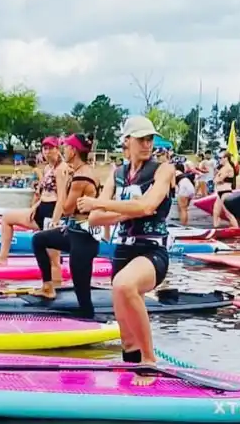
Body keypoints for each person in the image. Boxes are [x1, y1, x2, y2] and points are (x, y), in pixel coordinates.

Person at [78, 115, 175, 372]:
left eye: (150, 139)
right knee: (125, 331)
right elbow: (95, 218)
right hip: (122, 250)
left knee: (125, 284)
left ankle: (149, 362)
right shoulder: (117, 174)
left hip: (152, 250)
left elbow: (148, 206)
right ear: (127, 141)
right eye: (141, 139)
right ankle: (130, 367)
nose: (147, 144)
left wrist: (101, 203)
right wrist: (126, 210)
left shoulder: (163, 170)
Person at [29, 134, 102, 317]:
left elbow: (67, 208)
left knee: (82, 293)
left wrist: (64, 182)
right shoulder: (80, 172)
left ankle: (88, 323)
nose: (64, 150)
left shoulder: (81, 176)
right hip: (74, 232)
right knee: (39, 240)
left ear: (74, 150)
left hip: (84, 238)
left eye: (66, 147)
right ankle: (47, 286)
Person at [0, 137, 65, 269]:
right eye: (45, 149)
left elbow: (61, 198)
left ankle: (56, 281)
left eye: (50, 148)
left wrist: (55, 221)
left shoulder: (61, 169)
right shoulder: (47, 168)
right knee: (7, 218)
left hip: (52, 211)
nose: (47, 152)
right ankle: (2, 257)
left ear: (57, 149)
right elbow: (44, 192)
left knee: (53, 259)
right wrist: (34, 207)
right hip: (41, 208)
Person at [212, 154, 239, 228]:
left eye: (221, 158)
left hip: (225, 192)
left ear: (226, 158)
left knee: (228, 213)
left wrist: (216, 179)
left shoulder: (228, 167)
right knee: (216, 211)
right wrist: (216, 176)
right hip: (220, 192)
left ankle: (236, 228)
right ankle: (216, 225)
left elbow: (218, 180)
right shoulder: (223, 168)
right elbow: (216, 178)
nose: (220, 160)